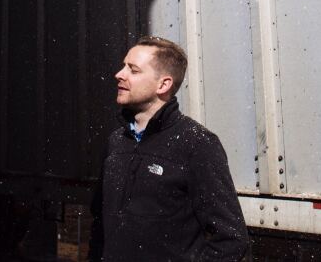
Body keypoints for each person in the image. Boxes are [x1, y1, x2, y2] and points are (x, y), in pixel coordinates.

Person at [88, 36, 249, 261]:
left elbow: (230, 240)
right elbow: (99, 224)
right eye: (124, 66)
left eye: (133, 70)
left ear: (163, 84)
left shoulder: (197, 143)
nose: (119, 74)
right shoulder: (117, 141)